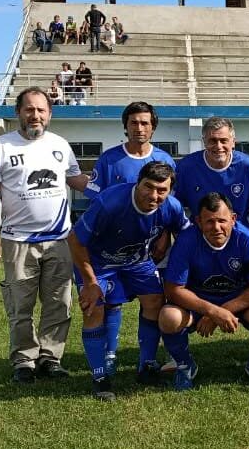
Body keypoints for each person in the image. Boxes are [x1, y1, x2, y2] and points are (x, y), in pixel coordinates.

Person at [0, 87, 89, 384]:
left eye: (41, 110)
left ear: (49, 114)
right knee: (20, 306)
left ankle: (51, 358)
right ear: (18, 113)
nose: (35, 115)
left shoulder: (60, 145)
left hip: (59, 239)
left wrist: (118, 188)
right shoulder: (0, 146)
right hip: (18, 240)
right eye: (29, 109)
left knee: (59, 303)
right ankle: (24, 361)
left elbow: (77, 180)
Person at [68, 162, 191, 400]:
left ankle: (147, 365)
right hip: (97, 262)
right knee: (93, 309)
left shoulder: (172, 207)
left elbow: (186, 237)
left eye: (162, 190)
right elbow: (75, 240)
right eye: (148, 187)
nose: (154, 195)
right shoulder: (109, 202)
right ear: (138, 182)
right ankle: (100, 377)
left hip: (136, 260)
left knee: (155, 301)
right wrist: (90, 282)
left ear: (169, 191)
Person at [160, 192, 249, 388]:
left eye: (222, 221)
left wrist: (222, 311)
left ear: (233, 219)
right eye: (209, 221)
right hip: (198, 304)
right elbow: (173, 290)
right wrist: (212, 311)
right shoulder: (186, 240)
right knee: (169, 317)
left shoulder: (247, 239)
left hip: (237, 302)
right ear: (198, 221)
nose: (216, 227)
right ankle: (184, 366)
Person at [174, 117, 249, 242]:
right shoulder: (186, 167)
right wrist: (181, 237)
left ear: (233, 142)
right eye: (213, 140)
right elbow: (173, 205)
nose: (218, 146)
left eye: (223, 140)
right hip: (201, 239)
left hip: (241, 238)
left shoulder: (248, 165)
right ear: (204, 141)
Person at [85, 102, 176, 198]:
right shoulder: (108, 159)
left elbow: (172, 197)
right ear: (126, 126)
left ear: (153, 128)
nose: (139, 129)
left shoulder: (165, 160)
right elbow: (95, 198)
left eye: (144, 123)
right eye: (134, 123)